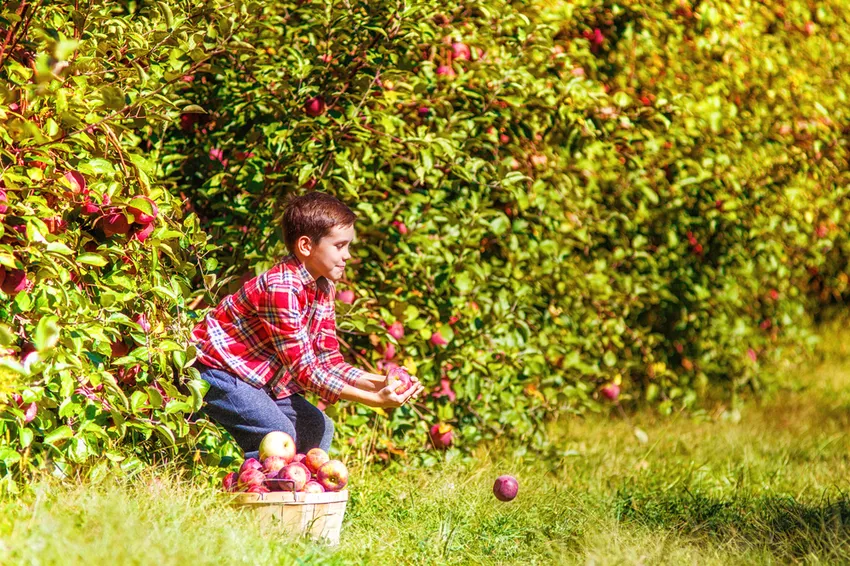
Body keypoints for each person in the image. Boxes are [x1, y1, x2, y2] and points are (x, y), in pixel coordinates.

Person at [190, 191, 423, 459]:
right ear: (305, 246)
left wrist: (381, 382)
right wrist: (374, 400)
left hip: (253, 377)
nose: (347, 255)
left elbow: (328, 361)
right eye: (340, 246)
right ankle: (262, 492)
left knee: (317, 428)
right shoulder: (282, 287)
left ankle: (300, 492)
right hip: (217, 371)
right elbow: (305, 371)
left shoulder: (323, 286)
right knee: (276, 434)